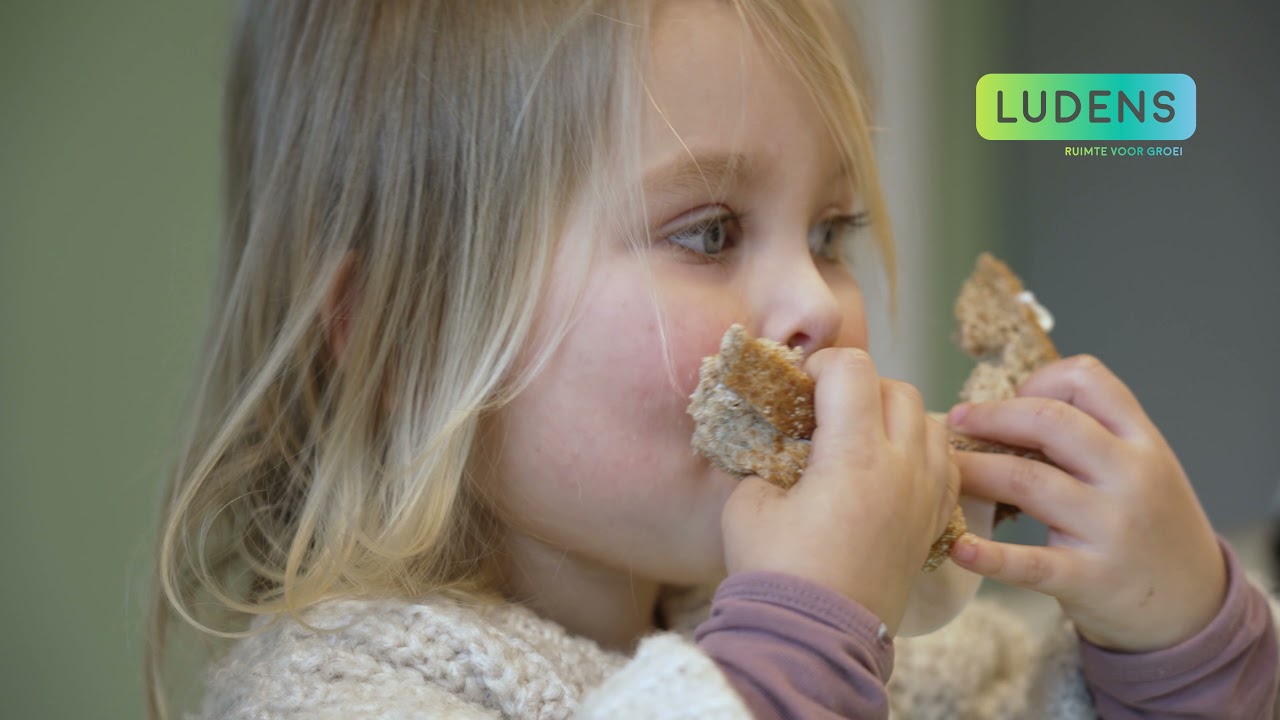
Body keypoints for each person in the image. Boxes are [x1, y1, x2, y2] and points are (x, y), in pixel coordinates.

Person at [146, 1, 1279, 718]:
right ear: (405, 337)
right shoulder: (336, 690)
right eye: (709, 233)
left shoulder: (903, 653)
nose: (818, 303)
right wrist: (794, 645)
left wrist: (1179, 642)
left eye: (829, 233)